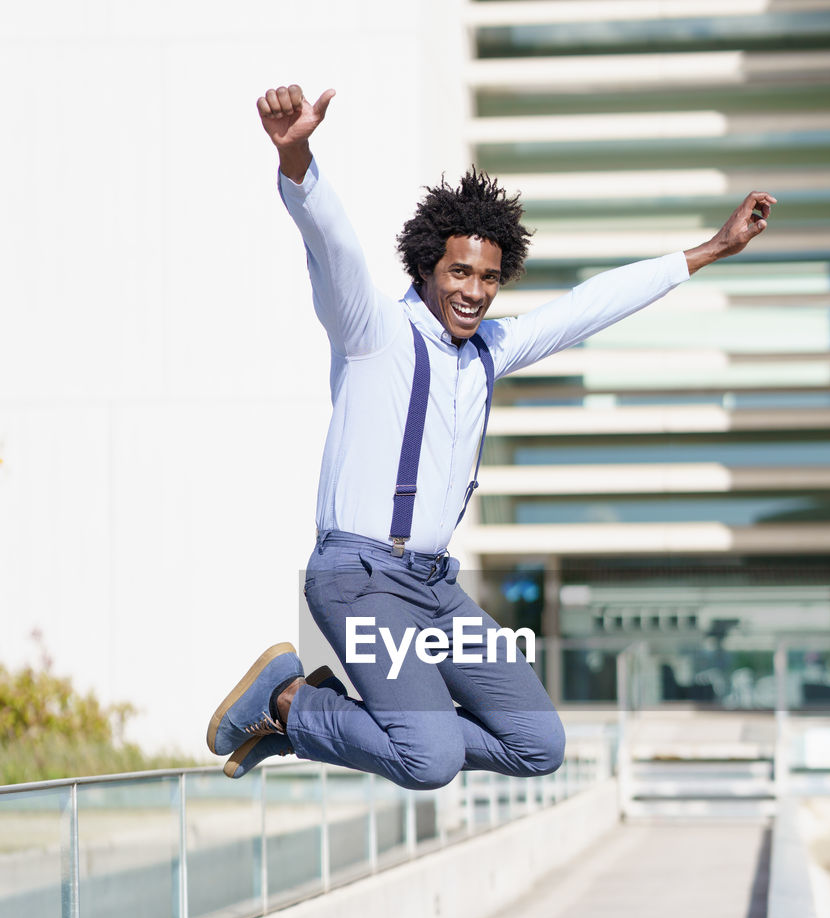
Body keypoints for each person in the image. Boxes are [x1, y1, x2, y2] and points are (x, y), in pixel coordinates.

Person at [207, 82, 775, 788]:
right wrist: (298, 159)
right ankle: (290, 705)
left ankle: (321, 714)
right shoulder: (373, 333)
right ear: (425, 269)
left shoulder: (489, 350)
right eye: (458, 273)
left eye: (488, 277)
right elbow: (335, 247)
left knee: (537, 743)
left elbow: (585, 308)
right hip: (361, 579)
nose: (474, 290)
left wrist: (710, 250)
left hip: (434, 586)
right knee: (431, 759)